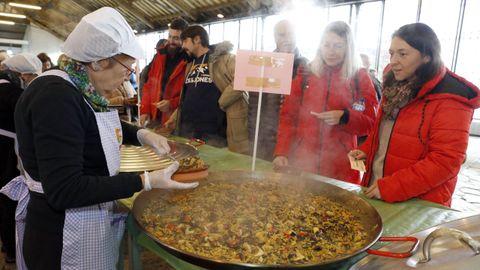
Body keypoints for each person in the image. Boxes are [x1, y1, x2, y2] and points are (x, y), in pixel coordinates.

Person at [0, 7, 197, 269]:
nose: (127, 76)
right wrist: (144, 180)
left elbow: (89, 123)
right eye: (127, 67)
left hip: (81, 221)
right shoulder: (56, 98)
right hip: (61, 238)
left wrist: (141, 133)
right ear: (98, 61)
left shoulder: (79, 85)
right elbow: (65, 190)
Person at [349, 23, 480, 207]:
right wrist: (367, 150)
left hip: (419, 202)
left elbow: (446, 161)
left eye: (402, 54)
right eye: (391, 53)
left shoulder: (450, 98)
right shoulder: (395, 85)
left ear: (427, 56)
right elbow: (384, 130)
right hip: (378, 188)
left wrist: (393, 187)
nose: (393, 60)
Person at [273, 21, 378, 184]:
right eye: (326, 45)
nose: (331, 51)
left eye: (338, 46)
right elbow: (288, 117)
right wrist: (281, 152)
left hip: (341, 166)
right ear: (319, 46)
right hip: (303, 162)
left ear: (348, 48)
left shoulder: (360, 77)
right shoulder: (306, 74)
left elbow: (370, 123)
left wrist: (345, 117)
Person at [166, 25, 249, 154]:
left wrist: (222, 102)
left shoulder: (225, 59)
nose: (182, 46)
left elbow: (243, 78)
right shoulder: (190, 65)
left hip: (216, 133)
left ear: (197, 39)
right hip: (189, 132)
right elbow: (186, 98)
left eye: (185, 41)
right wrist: (173, 119)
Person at [247, 19, 308, 161]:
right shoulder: (263, 64)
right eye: (282, 35)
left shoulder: (306, 67)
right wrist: (253, 138)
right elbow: (254, 105)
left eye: (291, 34)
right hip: (266, 137)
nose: (287, 39)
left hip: (293, 140)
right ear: (275, 38)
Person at [140, 19, 189, 127]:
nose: (171, 41)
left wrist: (172, 104)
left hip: (175, 120)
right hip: (154, 117)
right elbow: (149, 85)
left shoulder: (189, 60)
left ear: (185, 39)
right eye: (170, 36)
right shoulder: (159, 55)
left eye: (176, 38)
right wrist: (144, 110)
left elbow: (189, 94)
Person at [0, 69, 23, 264]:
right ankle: (11, 249)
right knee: (9, 198)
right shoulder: (10, 92)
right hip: (6, 149)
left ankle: (5, 242)